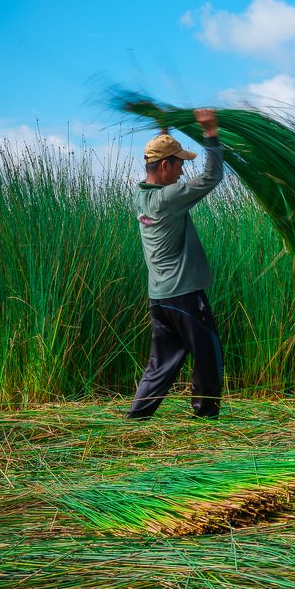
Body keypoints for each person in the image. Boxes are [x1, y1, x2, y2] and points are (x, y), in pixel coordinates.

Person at [126, 109, 225, 420]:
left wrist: (164, 130)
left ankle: (137, 417)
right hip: (183, 295)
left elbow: (166, 169)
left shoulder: (143, 198)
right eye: (180, 164)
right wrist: (210, 134)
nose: (183, 171)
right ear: (166, 166)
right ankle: (206, 416)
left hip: (160, 297)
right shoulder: (169, 198)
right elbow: (212, 177)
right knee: (208, 353)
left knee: (161, 362)